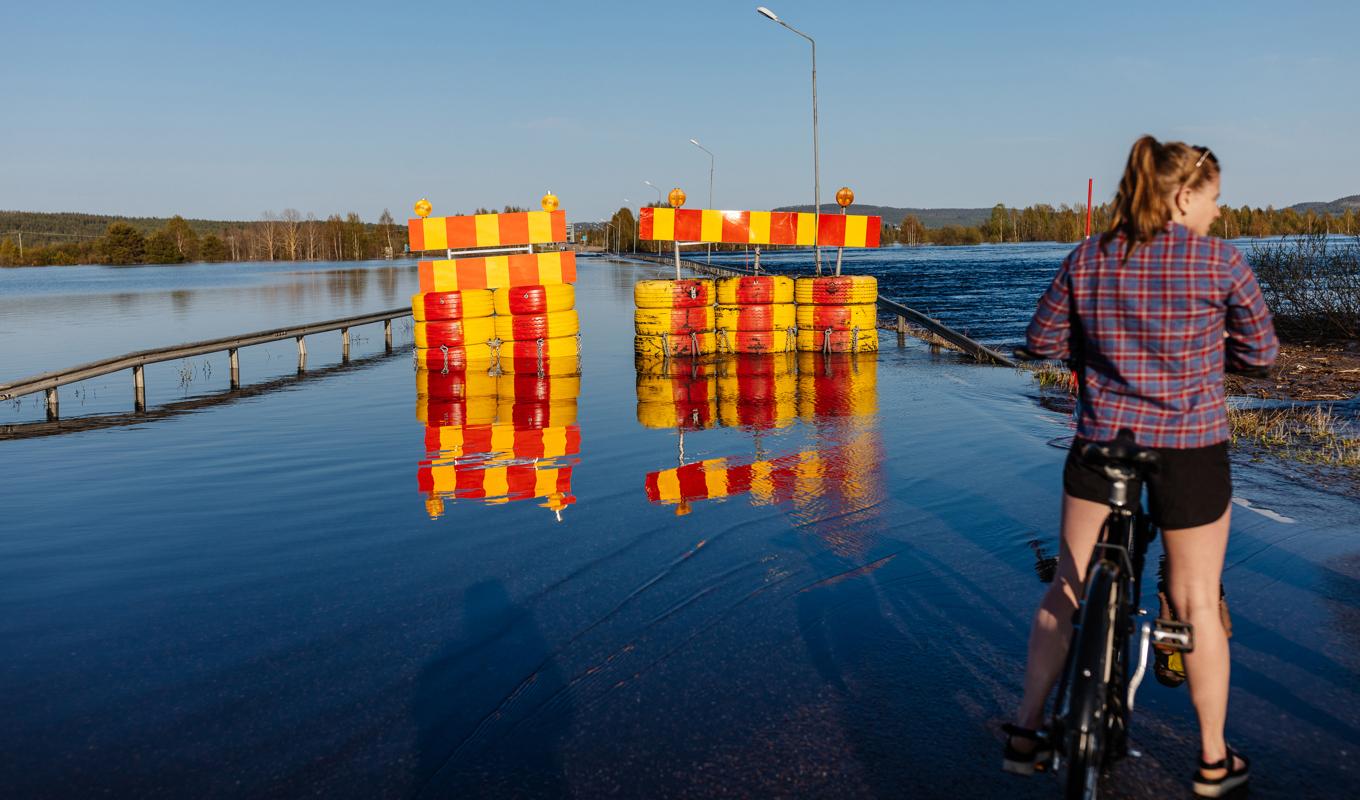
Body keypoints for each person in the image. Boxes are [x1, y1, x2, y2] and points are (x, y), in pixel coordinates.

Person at [1003, 135, 1278, 797]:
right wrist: (1214, 359)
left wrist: (1094, 355)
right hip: (1190, 447)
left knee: (1067, 584)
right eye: (1213, 199)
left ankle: (1026, 729)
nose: (1217, 212)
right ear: (1183, 197)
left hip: (1101, 443)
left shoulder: (1087, 257)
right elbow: (1263, 354)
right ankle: (1213, 760)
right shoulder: (1221, 263)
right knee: (1195, 601)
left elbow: (1039, 342)